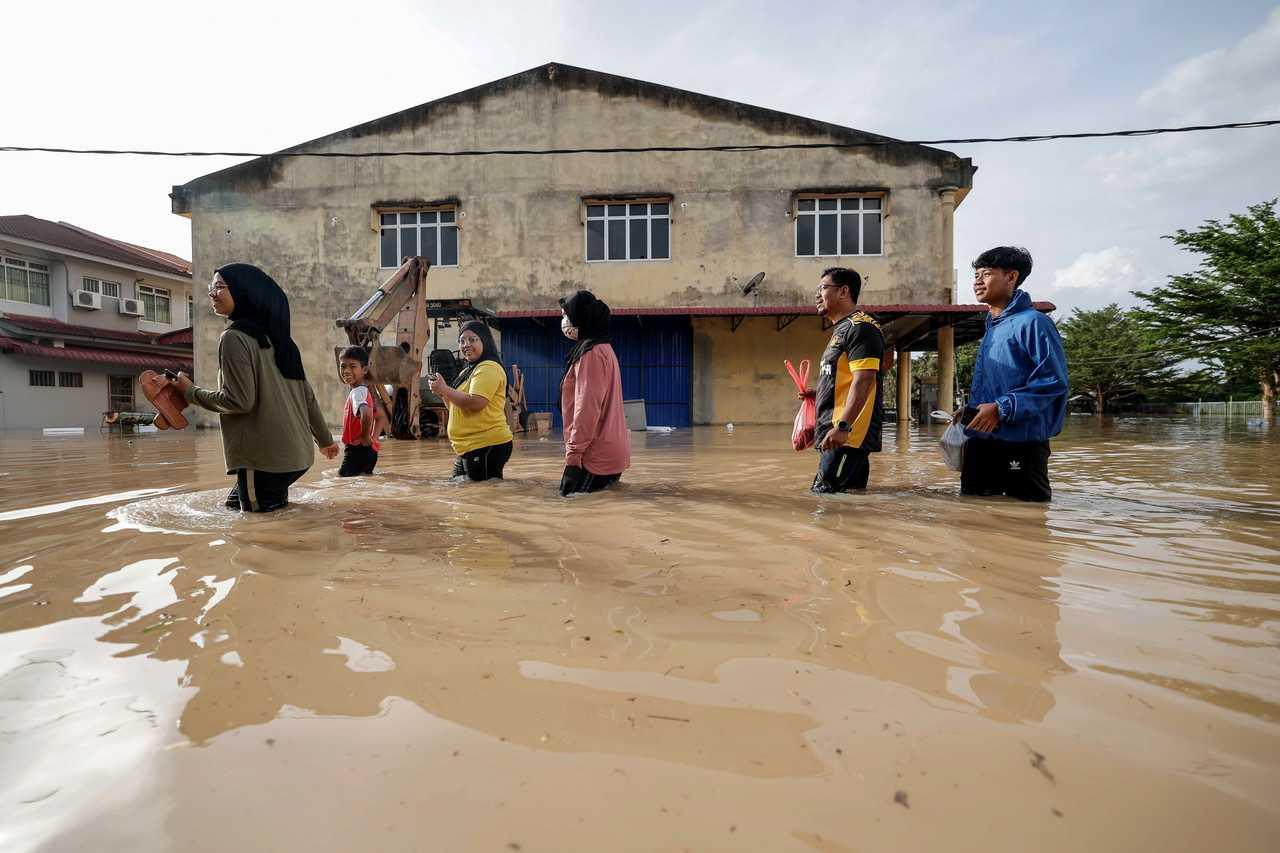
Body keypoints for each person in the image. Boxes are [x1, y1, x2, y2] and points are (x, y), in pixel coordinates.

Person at [174, 263, 337, 512]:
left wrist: (189, 392)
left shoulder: (234, 338)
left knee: (256, 535)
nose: (212, 293)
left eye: (219, 287)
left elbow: (239, 401)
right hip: (299, 457)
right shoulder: (283, 341)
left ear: (243, 291)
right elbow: (308, 397)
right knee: (235, 506)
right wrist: (325, 440)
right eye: (211, 287)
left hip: (265, 461)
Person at [960, 246, 1069, 502]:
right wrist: (970, 410)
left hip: (1021, 442)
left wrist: (1000, 408)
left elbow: (1053, 383)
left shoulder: (1034, 323)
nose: (977, 281)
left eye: (986, 274)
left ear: (1011, 277)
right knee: (972, 515)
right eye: (976, 275)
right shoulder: (993, 326)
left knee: (1027, 520)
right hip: (982, 438)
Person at [811, 267, 885, 493]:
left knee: (825, 499)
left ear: (844, 291)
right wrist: (815, 397)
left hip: (847, 437)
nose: (817, 295)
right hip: (838, 435)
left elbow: (863, 381)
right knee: (848, 499)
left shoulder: (861, 328)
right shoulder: (843, 329)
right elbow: (843, 380)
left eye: (823, 288)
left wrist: (843, 426)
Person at [557, 290, 630, 495]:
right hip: (611, 453)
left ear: (581, 317)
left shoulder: (591, 354)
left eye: (565, 315)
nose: (563, 321)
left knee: (572, 515)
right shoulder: (604, 348)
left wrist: (573, 457)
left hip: (593, 457)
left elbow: (586, 409)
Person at [429, 321, 514, 481]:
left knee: (483, 496)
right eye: (461, 341)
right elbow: (455, 406)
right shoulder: (468, 370)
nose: (466, 344)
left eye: (472, 339)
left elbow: (476, 403)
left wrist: (446, 389)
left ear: (485, 341)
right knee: (461, 491)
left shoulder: (488, 367)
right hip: (468, 446)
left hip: (485, 444)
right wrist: (442, 392)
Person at [337, 346, 381, 477]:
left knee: (342, 482)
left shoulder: (356, 392)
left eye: (352, 366)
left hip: (356, 450)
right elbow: (380, 416)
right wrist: (373, 437)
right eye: (343, 366)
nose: (346, 371)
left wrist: (365, 436)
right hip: (369, 451)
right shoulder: (365, 391)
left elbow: (367, 413)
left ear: (365, 369)